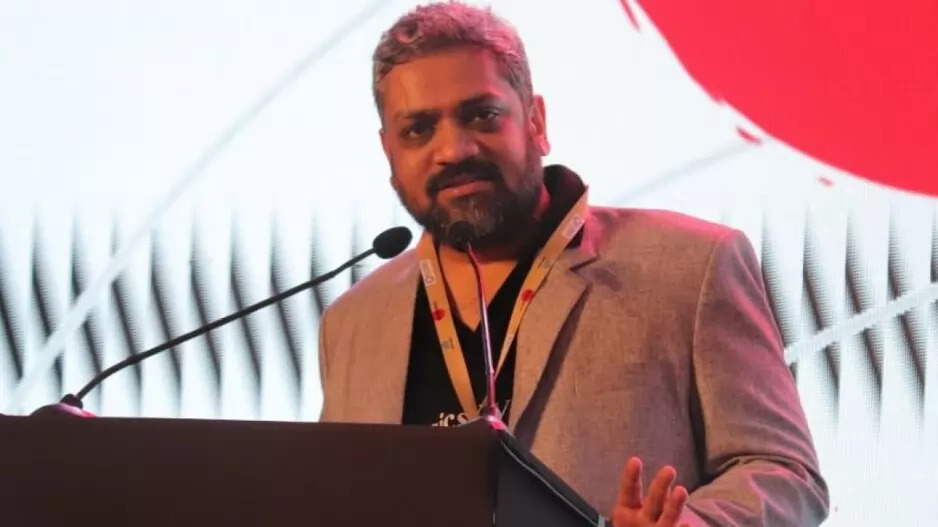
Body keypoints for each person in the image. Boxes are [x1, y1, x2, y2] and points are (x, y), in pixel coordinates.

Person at [317, 2, 830, 525]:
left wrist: (689, 524)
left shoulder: (691, 267)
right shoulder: (353, 322)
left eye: (482, 115)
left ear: (535, 122)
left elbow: (785, 474)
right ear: (389, 154)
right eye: (418, 130)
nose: (454, 149)